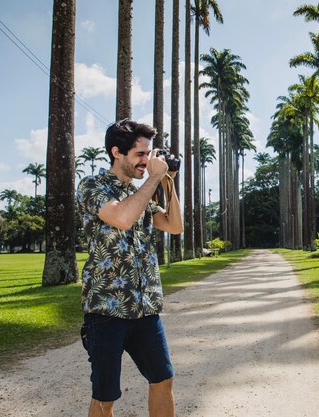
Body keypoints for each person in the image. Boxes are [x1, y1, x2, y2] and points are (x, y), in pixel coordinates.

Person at [77, 119, 183, 417]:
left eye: (149, 154)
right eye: (140, 154)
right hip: (107, 310)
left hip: (145, 308)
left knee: (163, 379)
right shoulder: (93, 186)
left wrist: (167, 182)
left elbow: (174, 225)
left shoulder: (141, 194)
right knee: (105, 395)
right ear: (117, 152)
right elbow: (121, 218)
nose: (146, 161)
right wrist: (152, 181)